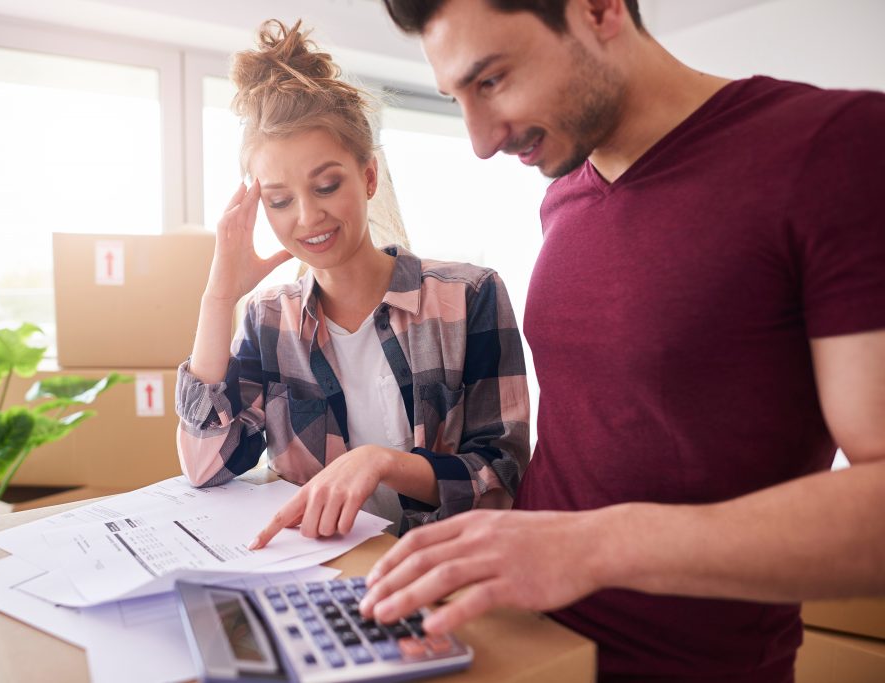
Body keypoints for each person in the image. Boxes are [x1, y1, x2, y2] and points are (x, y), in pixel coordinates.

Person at [359, 1, 885, 681]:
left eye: (491, 80)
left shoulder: (835, 147)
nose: (481, 140)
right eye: (456, 96)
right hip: (515, 638)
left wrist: (591, 546)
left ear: (600, 9)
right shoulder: (566, 191)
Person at [174, 19, 530, 546]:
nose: (307, 217)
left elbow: (502, 478)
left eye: (326, 185)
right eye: (279, 200)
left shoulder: (469, 296)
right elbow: (206, 467)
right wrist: (218, 298)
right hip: (322, 578)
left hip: (440, 573)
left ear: (368, 177)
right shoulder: (268, 318)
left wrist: (382, 465)